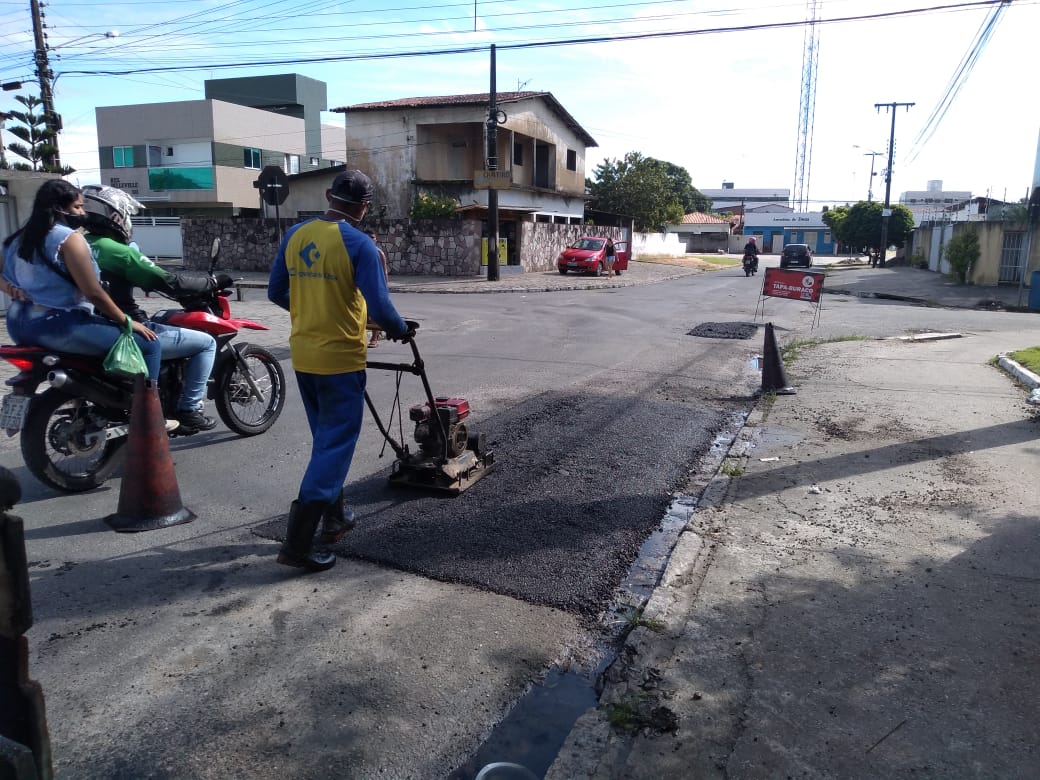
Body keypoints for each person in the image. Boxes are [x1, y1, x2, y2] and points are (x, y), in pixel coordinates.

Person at [268, 169, 415, 572]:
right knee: (335, 446)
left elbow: (275, 291)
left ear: (330, 195)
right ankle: (297, 546)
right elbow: (382, 309)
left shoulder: (295, 235)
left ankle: (335, 517)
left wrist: (312, 312)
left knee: (324, 439)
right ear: (364, 207)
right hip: (339, 359)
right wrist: (401, 330)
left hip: (303, 355)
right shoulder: (360, 244)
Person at [1, 179, 162, 393]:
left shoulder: (18, 238)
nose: (82, 213)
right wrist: (128, 322)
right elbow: (93, 292)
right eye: (77, 207)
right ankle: (149, 415)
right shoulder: (68, 239)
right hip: (59, 325)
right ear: (59, 208)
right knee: (150, 344)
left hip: (18, 324)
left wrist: (10, 288)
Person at [80, 185, 218, 434]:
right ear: (115, 216)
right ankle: (188, 409)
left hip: (89, 327)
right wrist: (212, 282)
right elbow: (168, 281)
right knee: (206, 343)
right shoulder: (118, 252)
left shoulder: (76, 244)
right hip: (124, 326)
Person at [365, 230, 390, 348]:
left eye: (372, 237)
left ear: (376, 239)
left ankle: (374, 338)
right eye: (367, 237)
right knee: (364, 315)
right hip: (362, 287)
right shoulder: (360, 252)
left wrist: (384, 288)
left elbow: (384, 271)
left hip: (375, 288)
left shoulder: (379, 253)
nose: (370, 239)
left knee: (374, 315)